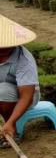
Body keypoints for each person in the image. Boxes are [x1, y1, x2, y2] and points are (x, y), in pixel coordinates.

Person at [0, 15, 40, 146]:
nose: (3, 50)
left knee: (4, 90)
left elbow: (26, 96)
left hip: (26, 96)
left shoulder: (24, 61)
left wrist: (10, 122)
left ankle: (12, 129)